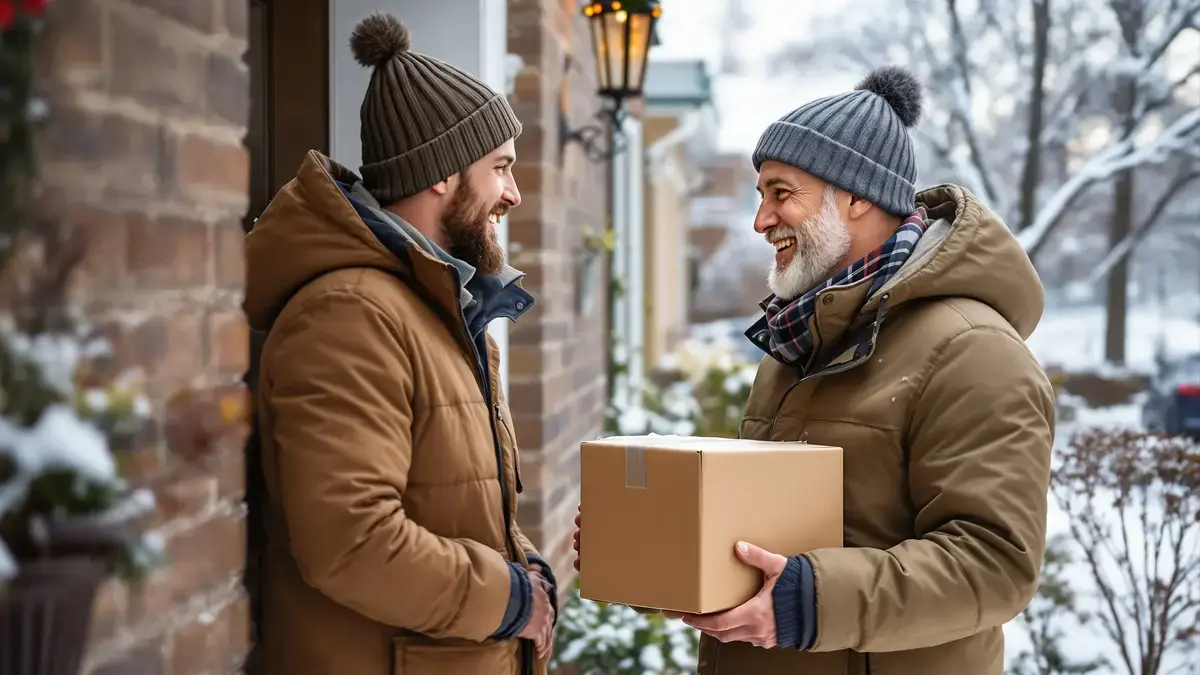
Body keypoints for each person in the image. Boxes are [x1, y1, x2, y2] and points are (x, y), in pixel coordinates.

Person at [573, 65, 1054, 674]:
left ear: (856, 197)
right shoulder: (802, 340)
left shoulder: (973, 352)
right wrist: (652, 549)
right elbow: (761, 542)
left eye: (781, 193)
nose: (760, 221)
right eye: (760, 196)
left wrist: (811, 601)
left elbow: (994, 564)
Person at [244, 13, 555, 675]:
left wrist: (524, 569)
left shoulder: (435, 312)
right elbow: (352, 541)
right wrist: (511, 598)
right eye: (499, 167)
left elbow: (451, 504)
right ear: (441, 173)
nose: (514, 193)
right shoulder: (349, 314)